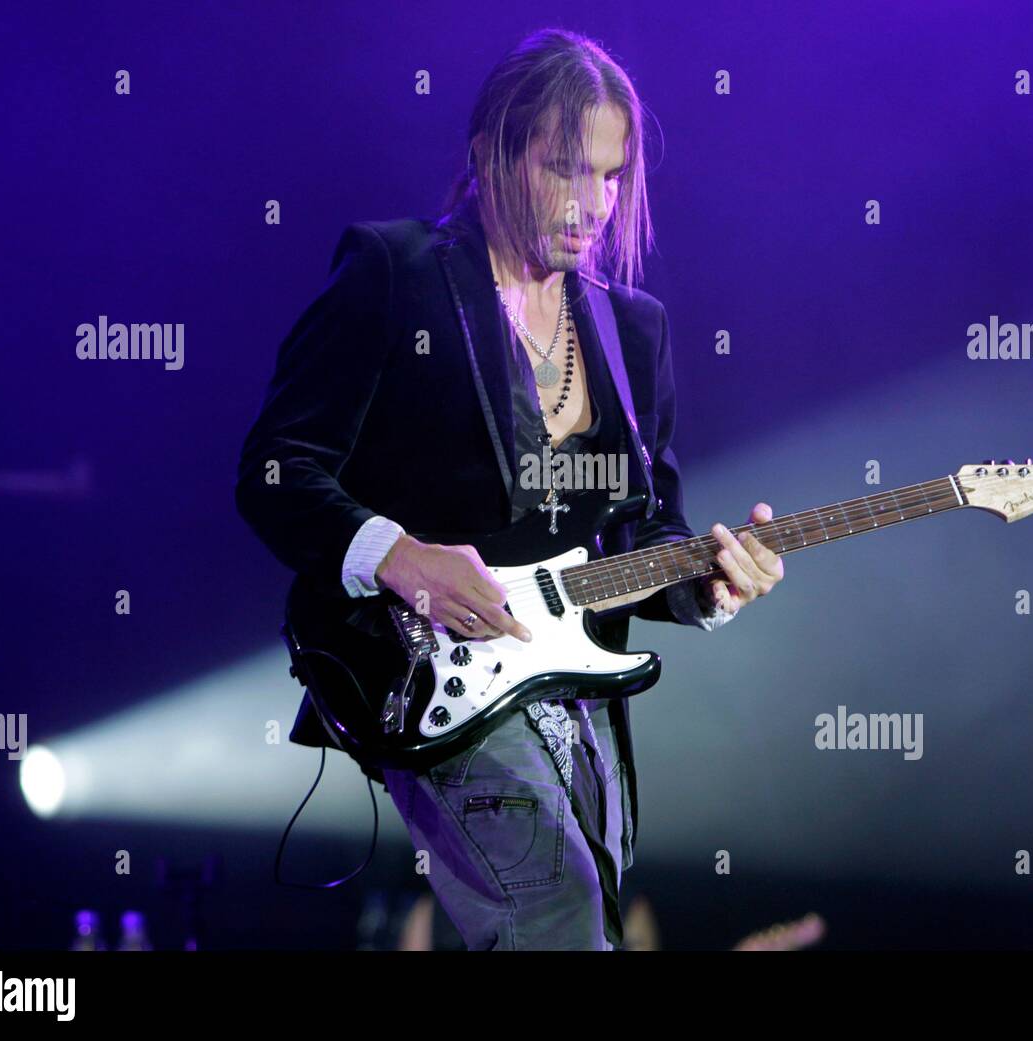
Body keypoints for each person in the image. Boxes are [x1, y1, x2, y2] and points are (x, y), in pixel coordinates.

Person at [235, 28, 784, 950]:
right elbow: (275, 468)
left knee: (593, 919)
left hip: (575, 679)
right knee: (557, 916)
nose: (595, 204)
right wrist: (399, 557)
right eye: (566, 169)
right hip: (426, 667)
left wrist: (703, 583)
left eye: (611, 176)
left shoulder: (632, 330)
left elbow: (647, 522)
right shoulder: (397, 274)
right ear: (489, 151)